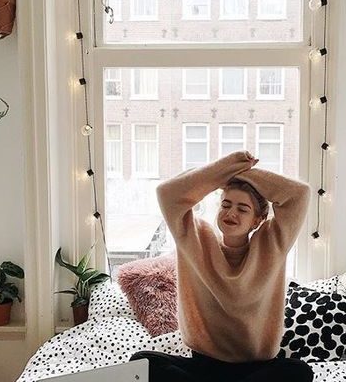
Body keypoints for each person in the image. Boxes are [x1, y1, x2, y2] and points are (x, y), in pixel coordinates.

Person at [130, 151, 313, 382]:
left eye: (242, 208)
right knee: (142, 361)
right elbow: (168, 194)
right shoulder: (196, 239)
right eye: (226, 204)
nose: (231, 213)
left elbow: (299, 194)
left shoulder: (272, 244)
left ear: (257, 220)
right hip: (204, 366)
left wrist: (242, 173)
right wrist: (225, 169)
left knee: (299, 371)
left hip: (256, 369)